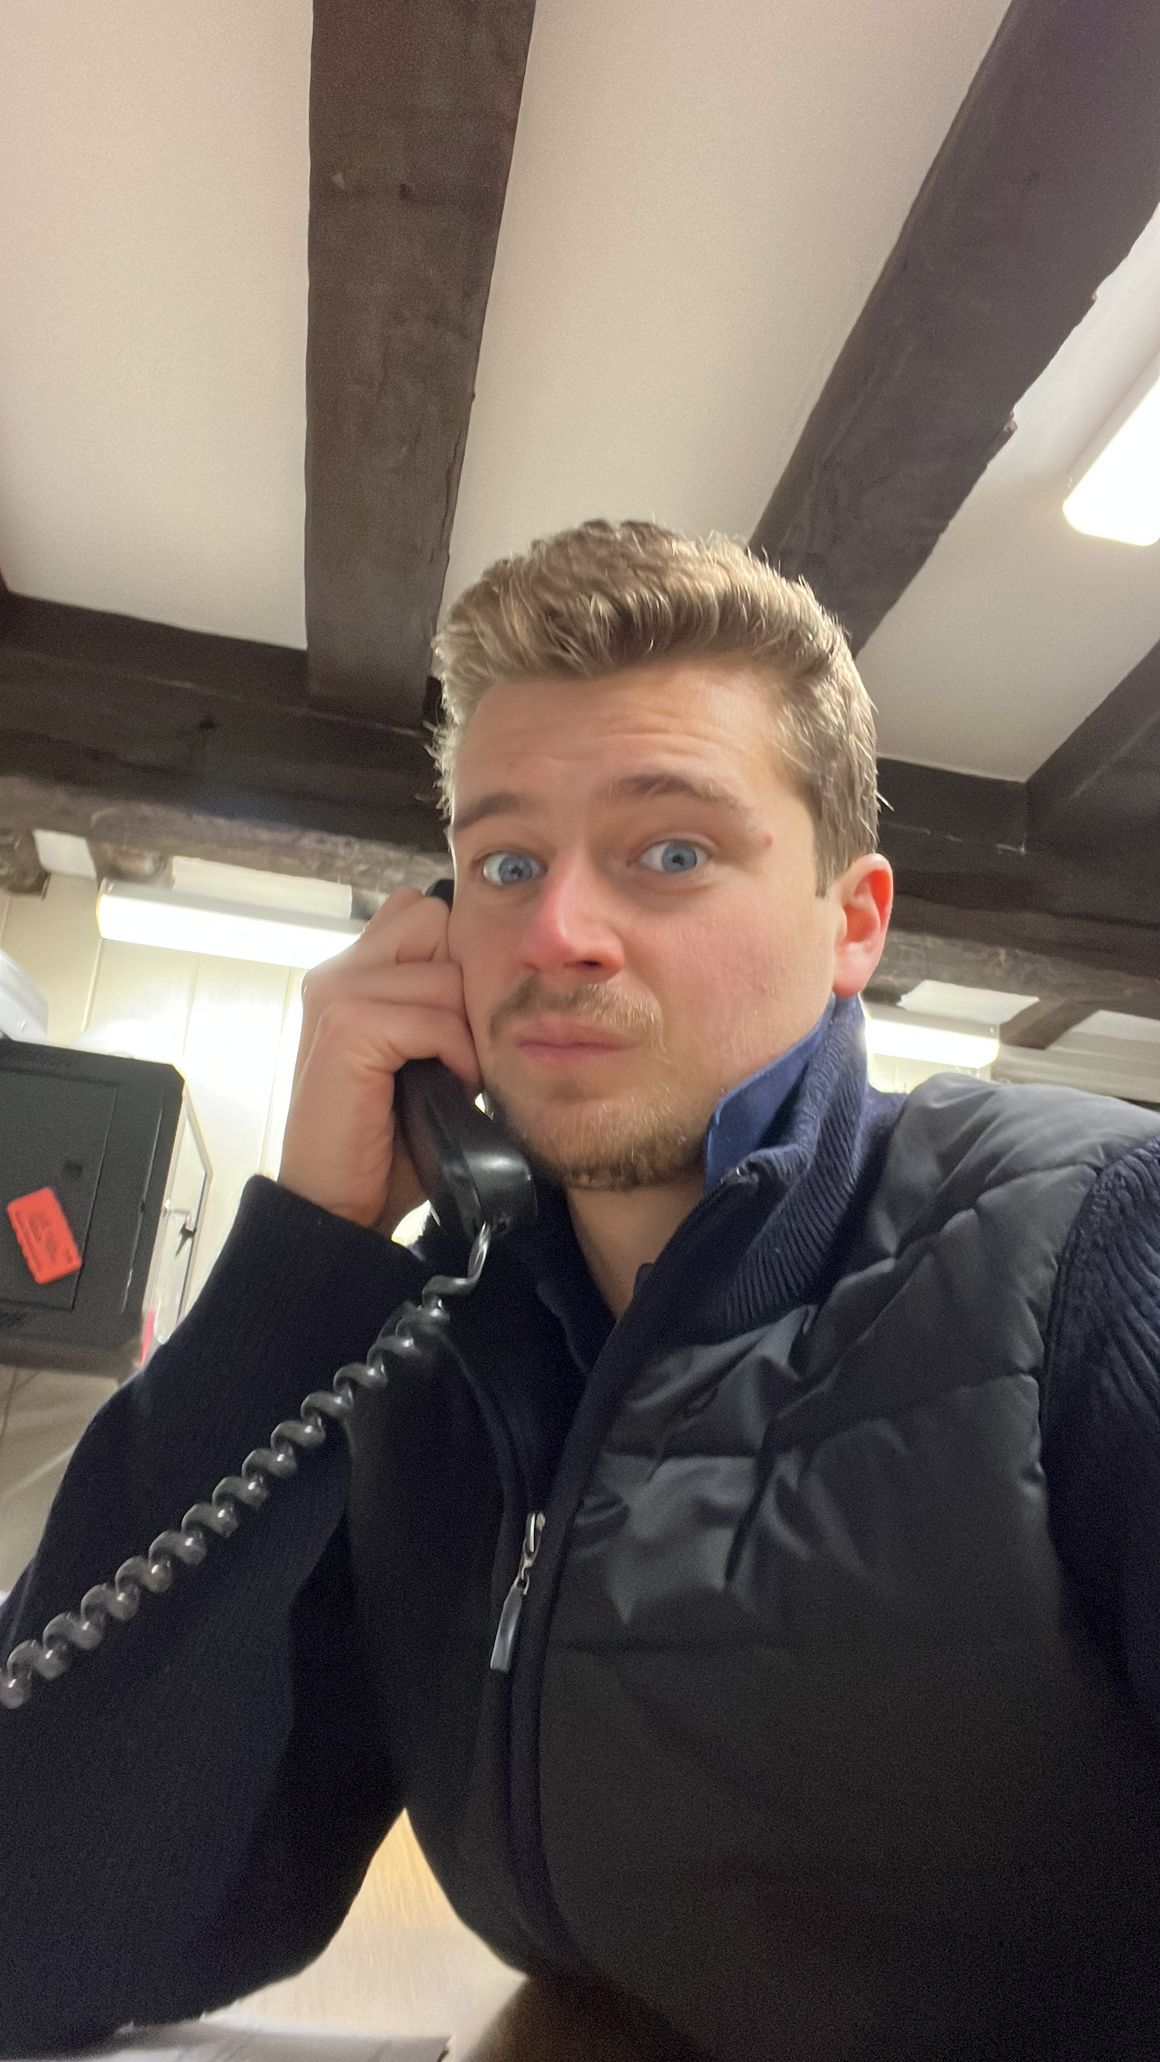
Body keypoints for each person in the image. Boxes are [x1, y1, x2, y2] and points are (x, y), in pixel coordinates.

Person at [2, 518, 1160, 2061]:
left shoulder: (1100, 1242)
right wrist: (306, 1258)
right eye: (505, 863)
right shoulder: (430, 1355)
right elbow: (51, 1921)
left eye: (671, 851)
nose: (556, 932)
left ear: (853, 923)